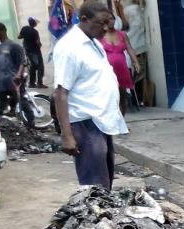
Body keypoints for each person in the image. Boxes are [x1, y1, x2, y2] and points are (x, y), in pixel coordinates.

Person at [53, 1, 128, 191]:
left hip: (101, 120)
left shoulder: (94, 43)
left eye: (108, 23)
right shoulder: (70, 47)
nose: (105, 28)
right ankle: (94, 219)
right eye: (101, 23)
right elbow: (61, 92)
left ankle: (104, 217)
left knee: (105, 178)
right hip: (86, 123)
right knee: (94, 186)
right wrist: (67, 135)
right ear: (84, 19)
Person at [99, 15, 139, 115]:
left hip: (122, 69)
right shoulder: (100, 36)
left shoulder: (122, 34)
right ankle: (114, 122)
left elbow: (129, 48)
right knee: (111, 97)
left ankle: (122, 121)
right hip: (107, 71)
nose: (110, 21)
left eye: (112, 19)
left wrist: (135, 62)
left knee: (122, 96)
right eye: (107, 19)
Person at [0, 23, 25, 117]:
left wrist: (18, 75)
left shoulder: (14, 46)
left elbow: (23, 62)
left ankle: (22, 120)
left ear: (3, 31)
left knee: (16, 103)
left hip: (11, 81)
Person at [19, 17, 45, 88]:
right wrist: (40, 45)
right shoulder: (35, 32)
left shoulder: (24, 28)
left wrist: (25, 36)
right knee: (40, 67)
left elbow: (19, 37)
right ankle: (39, 83)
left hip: (27, 51)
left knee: (32, 67)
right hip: (35, 52)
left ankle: (31, 83)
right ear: (34, 23)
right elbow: (38, 43)